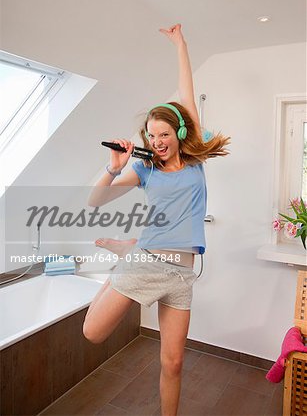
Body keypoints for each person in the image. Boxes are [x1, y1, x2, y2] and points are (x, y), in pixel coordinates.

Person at [83, 23, 231, 416]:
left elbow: (186, 93)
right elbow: (95, 200)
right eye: (151, 136)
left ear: (179, 132)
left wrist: (181, 45)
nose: (158, 141)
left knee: (174, 363)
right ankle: (127, 253)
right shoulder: (144, 170)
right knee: (92, 333)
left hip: (183, 272)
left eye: (164, 133)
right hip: (148, 263)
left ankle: (127, 247)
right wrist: (113, 167)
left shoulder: (195, 160)